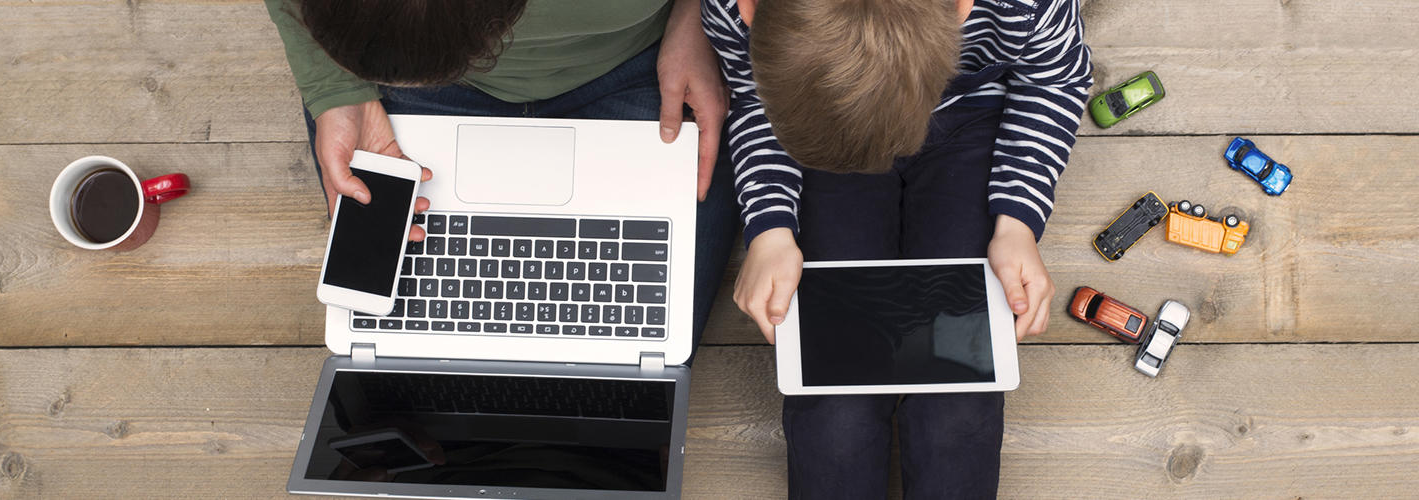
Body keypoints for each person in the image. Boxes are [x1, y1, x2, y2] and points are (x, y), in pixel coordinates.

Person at [702, 0, 1092, 496]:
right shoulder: (731, 10)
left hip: (972, 114)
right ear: (751, 11)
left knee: (959, 393)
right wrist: (770, 228)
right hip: (827, 126)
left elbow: (1055, 79)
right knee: (832, 396)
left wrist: (1016, 222)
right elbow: (754, 91)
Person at [264, 0, 739, 357]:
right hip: (391, 46)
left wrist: (699, 17)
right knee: (398, 356)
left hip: (635, 62)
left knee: (630, 349)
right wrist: (338, 87)